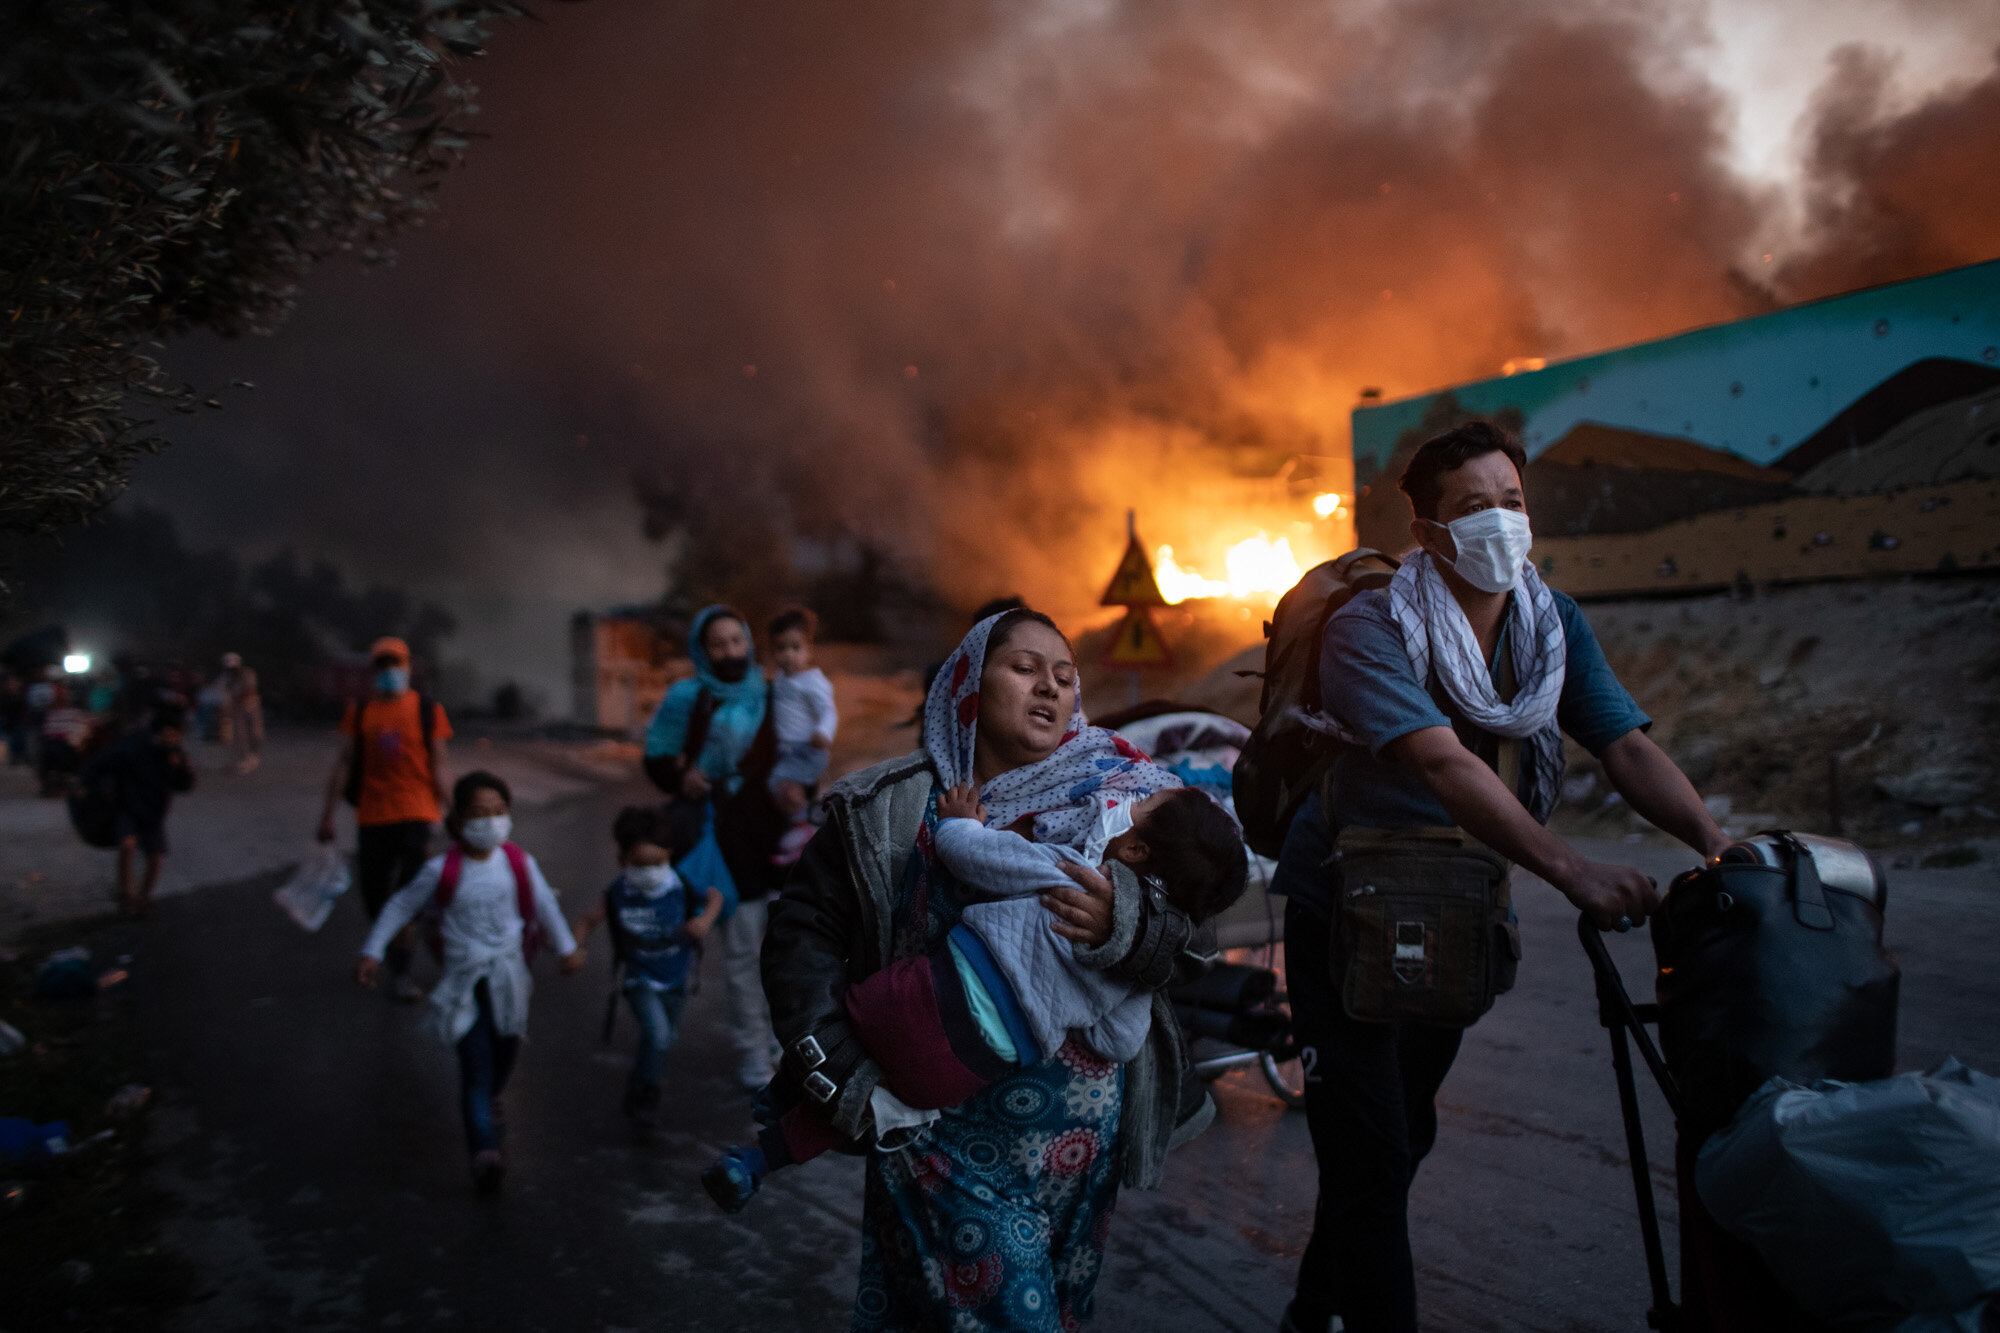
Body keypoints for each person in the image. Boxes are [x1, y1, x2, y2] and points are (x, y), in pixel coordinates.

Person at [1271, 421, 1733, 1333]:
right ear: (1431, 532)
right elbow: (1443, 765)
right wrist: (1572, 870)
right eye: (1474, 507)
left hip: (1453, 912)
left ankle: (1311, 1310)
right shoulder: (1369, 627)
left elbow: (1624, 745)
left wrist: (1718, 847)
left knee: (1398, 1138)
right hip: (1345, 911)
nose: (1501, 523)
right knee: (1370, 1153)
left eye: (1512, 502)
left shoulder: (1550, 623)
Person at [761, 608, 1212, 1330]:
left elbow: (1205, 912)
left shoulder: (1128, 794)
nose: (1050, 687)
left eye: (1065, 676)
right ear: (968, 681)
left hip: (1080, 1155)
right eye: (1025, 667)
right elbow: (803, 929)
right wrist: (836, 1058)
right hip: (939, 1136)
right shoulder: (893, 805)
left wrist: (1130, 923)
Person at [704, 778, 1244, 1212]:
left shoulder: (1072, 874)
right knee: (865, 1104)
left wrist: (963, 820)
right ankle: (753, 1163)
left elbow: (967, 853)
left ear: (1133, 847)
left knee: (848, 1022)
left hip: (918, 996)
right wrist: (1121, 985)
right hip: (961, 1070)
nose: (1131, 798)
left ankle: (779, 1094)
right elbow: (1120, 1042)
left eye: (1143, 802)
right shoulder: (1135, 972)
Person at [355, 770, 583, 1192]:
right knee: (476, 1064)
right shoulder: (440, 871)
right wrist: (372, 951)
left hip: (510, 979)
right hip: (464, 984)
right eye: (479, 813)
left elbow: (545, 905)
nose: (490, 821)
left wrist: (567, 947)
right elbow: (400, 905)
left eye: (499, 812)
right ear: (457, 821)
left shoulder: (518, 862)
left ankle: (491, 1103)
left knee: (506, 1050)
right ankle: (484, 1151)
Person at [642, 606, 790, 1090]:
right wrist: (681, 776)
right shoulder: (690, 697)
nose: (731, 652)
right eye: (719, 644)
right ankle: (754, 1055)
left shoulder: (773, 691)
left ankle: (780, 1046)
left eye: (737, 641)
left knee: (784, 954)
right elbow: (657, 756)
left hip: (777, 838)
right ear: (702, 652)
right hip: (725, 836)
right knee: (746, 953)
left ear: (749, 642)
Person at [571, 805, 724, 1123]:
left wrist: (704, 922)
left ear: (669, 854)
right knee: (658, 1036)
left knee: (664, 1038)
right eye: (640, 864)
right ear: (623, 860)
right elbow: (589, 920)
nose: (651, 871)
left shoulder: (678, 884)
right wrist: (576, 948)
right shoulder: (617, 893)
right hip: (638, 979)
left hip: (677, 979)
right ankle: (647, 1093)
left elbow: (714, 897)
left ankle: (637, 1085)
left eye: (658, 862)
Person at [319, 637, 452, 1003]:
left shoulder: (427, 710)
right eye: (382, 665)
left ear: (408, 666)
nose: (389, 670)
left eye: (395, 663)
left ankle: (402, 972)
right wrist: (327, 814)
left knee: (407, 896)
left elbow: (439, 765)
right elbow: (345, 762)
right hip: (373, 814)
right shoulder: (361, 711)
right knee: (374, 896)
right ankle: (397, 947)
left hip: (416, 812)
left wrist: (454, 811)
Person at [91, 704, 196, 917]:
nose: (169, 738)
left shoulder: (174, 753)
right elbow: (103, 763)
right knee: (127, 844)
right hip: (127, 807)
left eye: (174, 735)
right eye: (166, 734)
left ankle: (143, 898)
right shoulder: (134, 745)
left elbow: (185, 785)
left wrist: (179, 765)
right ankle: (126, 894)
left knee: (155, 857)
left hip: (153, 813)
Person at [766, 605, 837, 816]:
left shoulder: (813, 681)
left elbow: (828, 711)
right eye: (781, 648)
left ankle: (806, 823)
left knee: (780, 785)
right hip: (787, 750)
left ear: (809, 651)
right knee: (784, 787)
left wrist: (824, 732)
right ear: (773, 651)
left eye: (796, 648)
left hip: (807, 749)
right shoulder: (781, 679)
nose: (788, 655)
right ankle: (807, 815)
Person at [218, 652, 264, 774]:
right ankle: (244, 759)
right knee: (240, 735)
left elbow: (250, 690)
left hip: (251, 706)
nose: (232, 671)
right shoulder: (223, 678)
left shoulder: (248, 673)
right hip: (236, 709)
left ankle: (253, 756)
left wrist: (234, 698)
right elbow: (222, 693)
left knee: (256, 733)